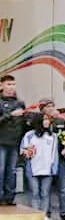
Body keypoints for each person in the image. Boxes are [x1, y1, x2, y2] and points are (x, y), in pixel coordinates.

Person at [0, 74, 26, 207]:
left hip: (15, 142)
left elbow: (23, 123)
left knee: (12, 170)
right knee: (1, 169)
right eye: (8, 84)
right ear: (1, 86)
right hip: (1, 142)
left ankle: (9, 197)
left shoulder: (20, 103)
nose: (11, 87)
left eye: (13, 84)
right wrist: (10, 115)